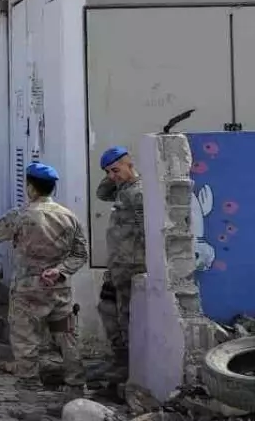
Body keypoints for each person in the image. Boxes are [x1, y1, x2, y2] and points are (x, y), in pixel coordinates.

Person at [0, 162, 87, 396]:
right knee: (66, 336)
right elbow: (80, 254)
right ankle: (75, 384)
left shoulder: (20, 215)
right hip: (58, 288)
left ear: (31, 187)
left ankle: (29, 384)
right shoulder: (69, 217)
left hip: (27, 290)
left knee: (26, 337)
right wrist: (60, 270)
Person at [95, 145, 144, 383]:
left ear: (129, 164)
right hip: (116, 266)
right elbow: (101, 194)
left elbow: (146, 232)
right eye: (108, 172)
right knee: (107, 308)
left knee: (126, 318)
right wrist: (112, 176)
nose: (112, 176)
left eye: (116, 170)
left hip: (131, 266)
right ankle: (118, 358)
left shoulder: (138, 194)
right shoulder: (122, 189)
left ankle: (128, 369)